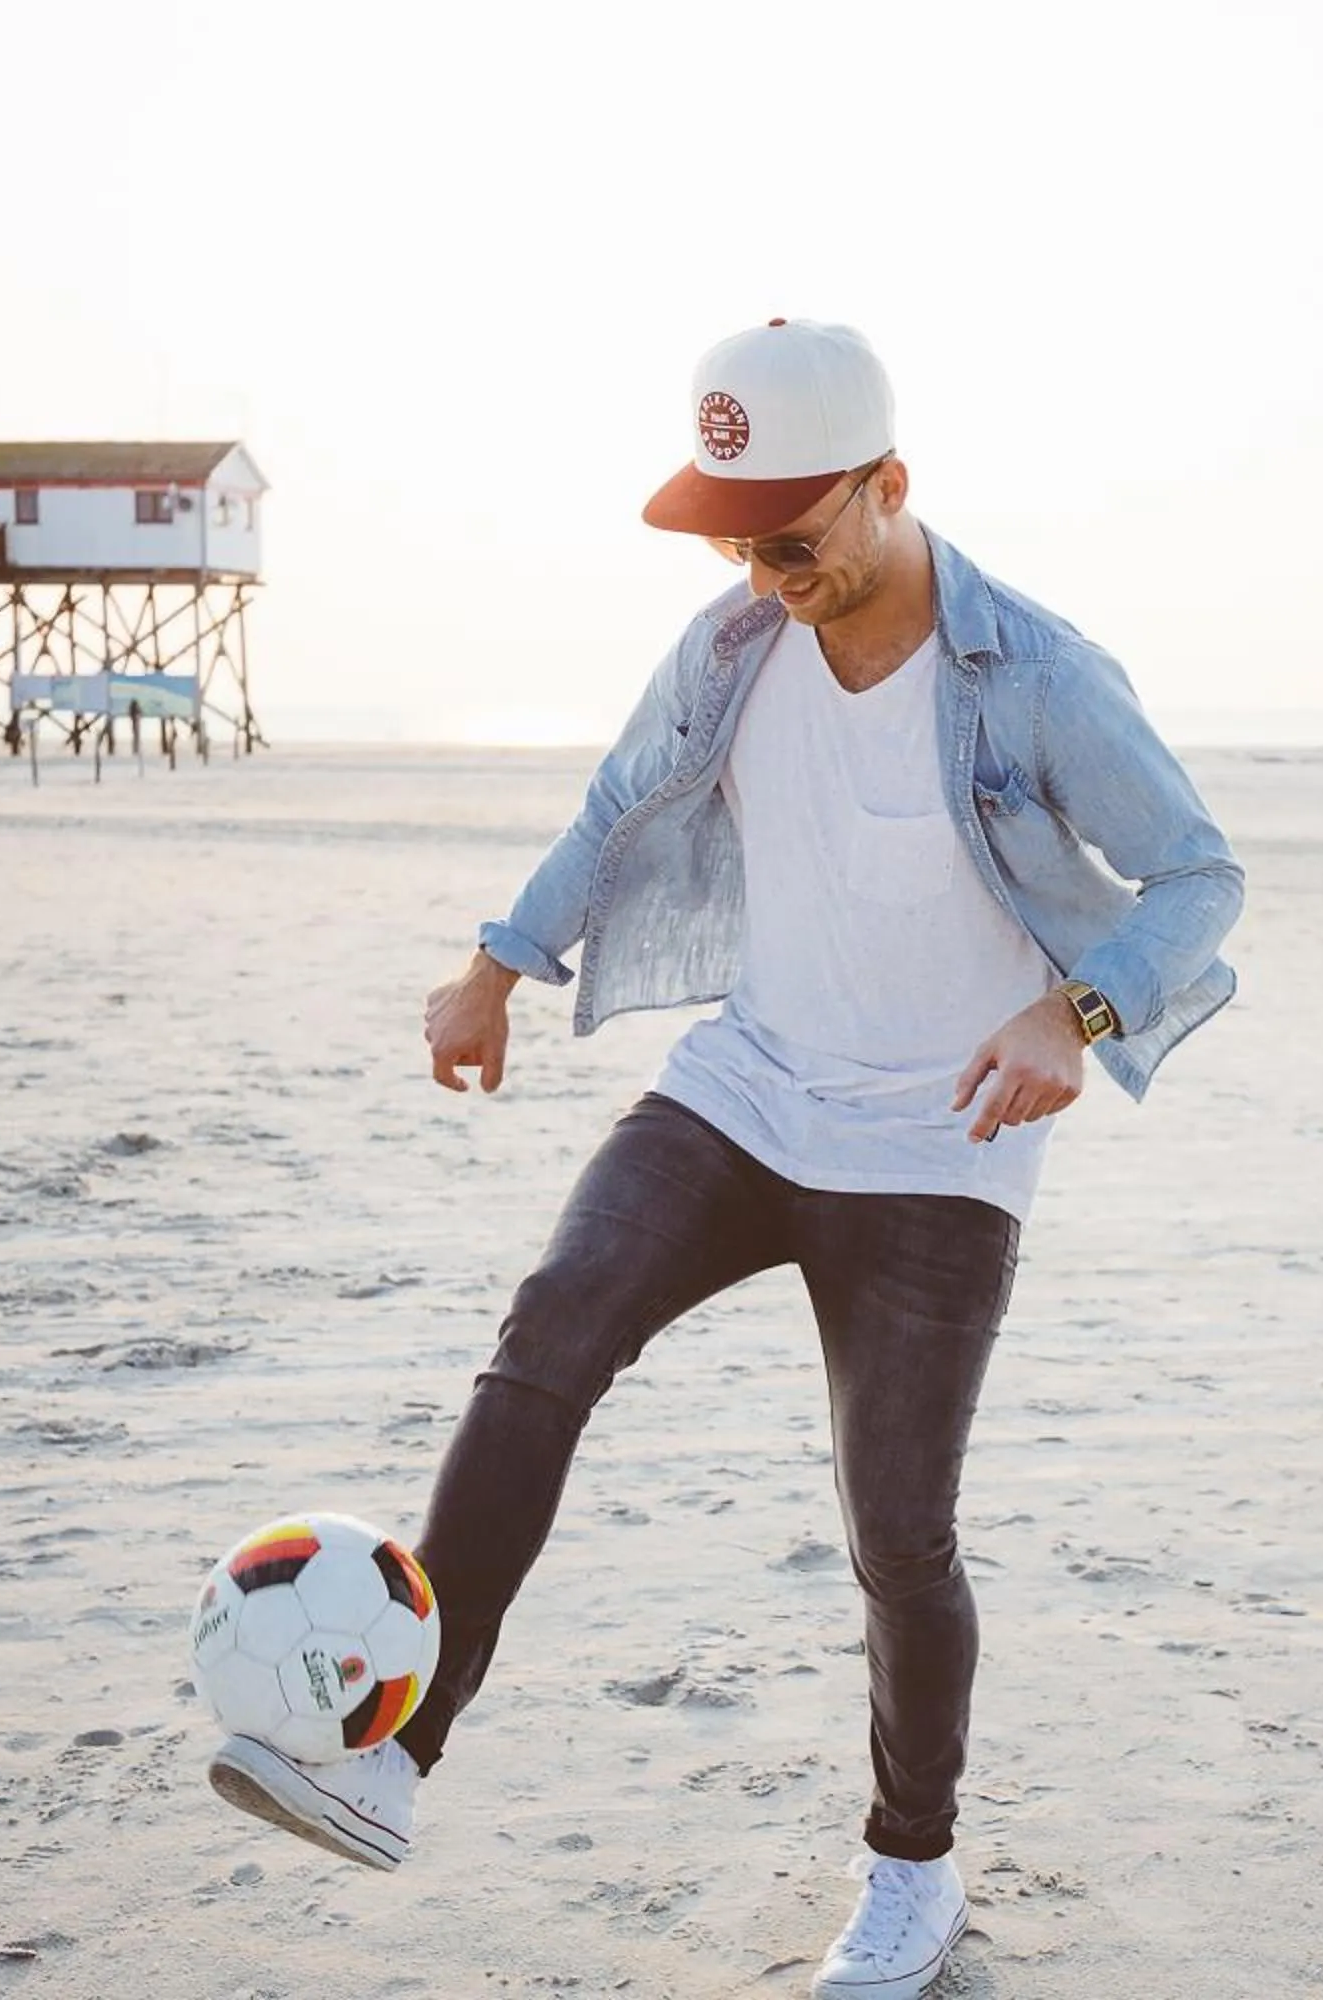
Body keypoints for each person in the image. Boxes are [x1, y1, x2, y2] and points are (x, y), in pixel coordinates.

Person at [203, 320, 1244, 1998]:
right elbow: (615, 805)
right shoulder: (729, 646)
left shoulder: (1036, 675)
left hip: (938, 1146)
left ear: (891, 487)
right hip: (746, 1097)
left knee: (897, 1527)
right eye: (732, 537)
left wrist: (1084, 1012)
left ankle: (913, 1873)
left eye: (791, 535)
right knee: (548, 1337)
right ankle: (394, 1756)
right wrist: (495, 966)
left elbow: (1200, 879)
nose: (761, 572)